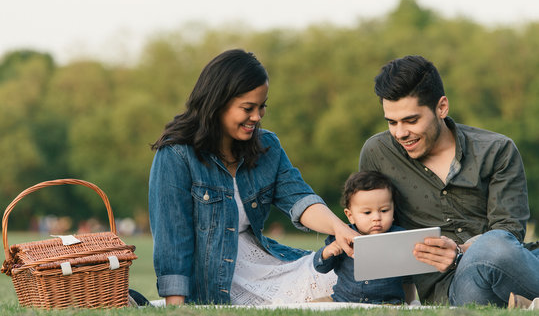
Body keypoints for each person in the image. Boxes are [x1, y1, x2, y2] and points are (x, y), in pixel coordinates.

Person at [148, 49, 359, 305]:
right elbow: (173, 241)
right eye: (248, 108)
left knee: (351, 279)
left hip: (260, 264)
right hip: (212, 277)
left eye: (262, 107)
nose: (257, 117)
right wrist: (176, 308)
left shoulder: (267, 145)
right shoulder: (176, 154)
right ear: (217, 103)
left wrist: (339, 228)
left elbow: (299, 197)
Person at [358, 55, 539, 307]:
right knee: (493, 247)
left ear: (442, 107)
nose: (400, 133)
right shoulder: (377, 153)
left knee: (497, 246)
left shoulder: (497, 150)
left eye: (411, 120)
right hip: (454, 285)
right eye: (392, 122)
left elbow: (509, 231)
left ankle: (524, 303)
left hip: (516, 263)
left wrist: (460, 250)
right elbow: (375, 232)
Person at [313, 171, 417, 304]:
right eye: (367, 212)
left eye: (384, 210)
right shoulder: (343, 236)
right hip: (342, 300)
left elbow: (410, 272)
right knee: (312, 307)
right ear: (350, 215)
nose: (376, 218)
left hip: (387, 303)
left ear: (393, 210)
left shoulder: (399, 237)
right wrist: (327, 253)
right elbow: (321, 267)